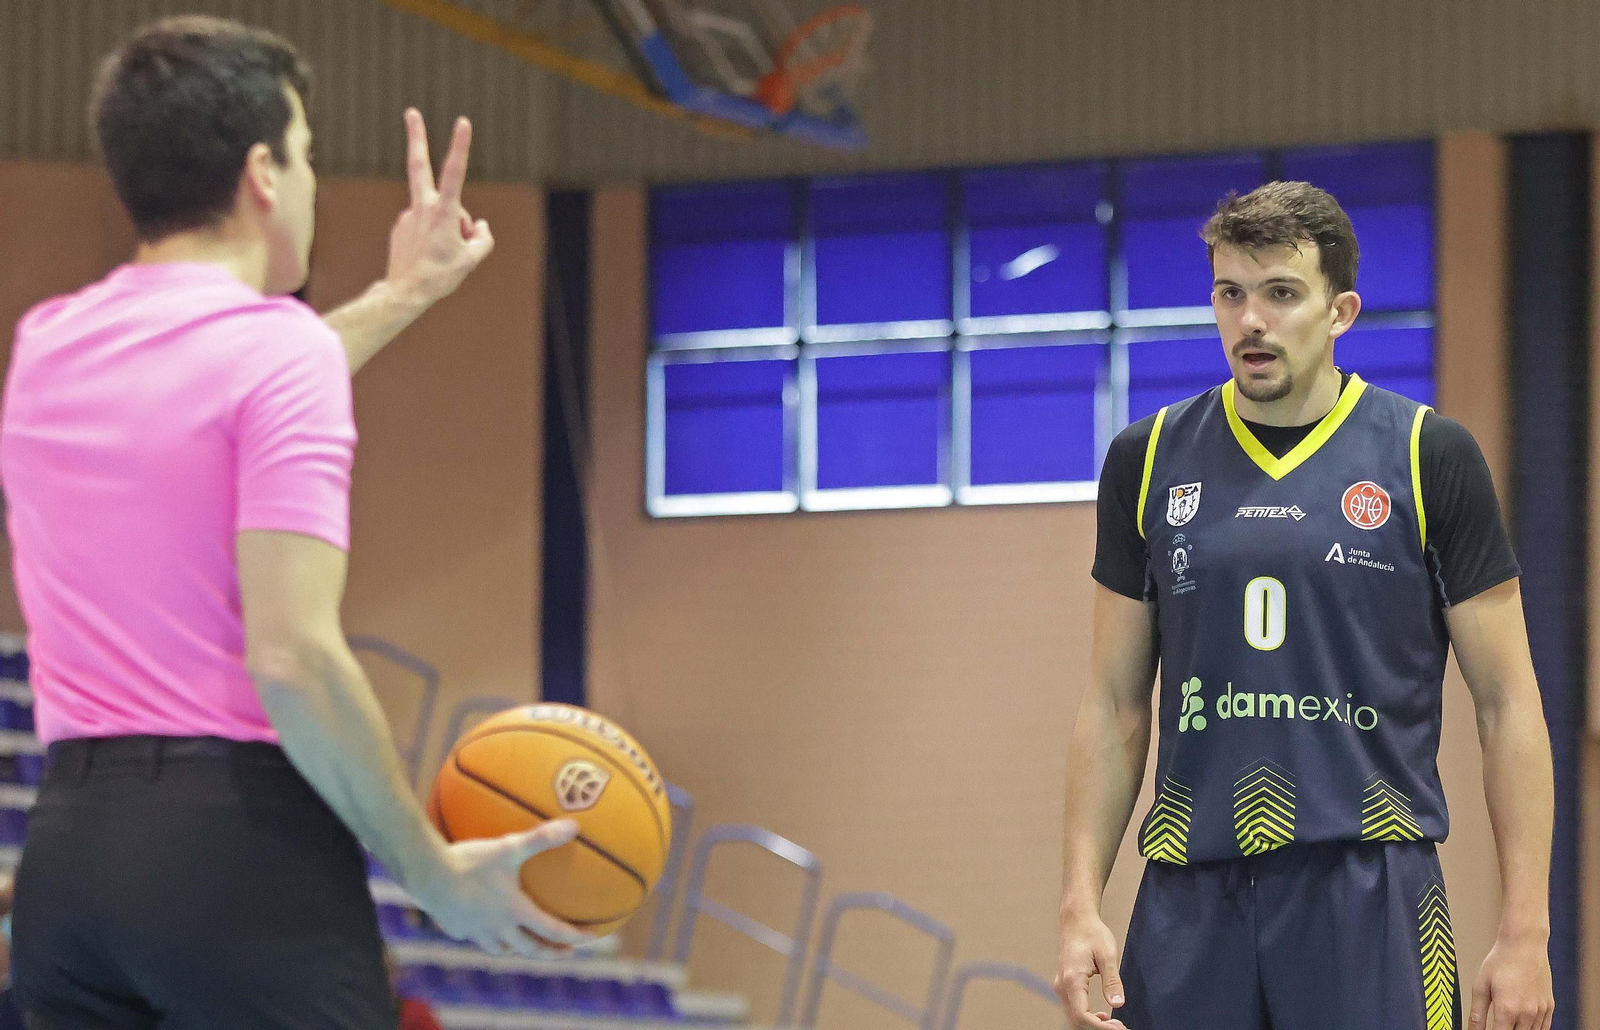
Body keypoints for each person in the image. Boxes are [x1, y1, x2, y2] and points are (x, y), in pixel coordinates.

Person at [2, 16, 584, 1029]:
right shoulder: (279, 353)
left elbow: (212, 389)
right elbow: (294, 659)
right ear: (263, 171)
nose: (313, 181)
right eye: (309, 154)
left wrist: (402, 295)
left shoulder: (48, 343)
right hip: (235, 856)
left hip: (70, 863)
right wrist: (432, 871)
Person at [1054, 181, 1556, 1030]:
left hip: (1369, 886)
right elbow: (1112, 706)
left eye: (1281, 293)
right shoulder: (1145, 460)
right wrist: (1078, 902)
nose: (1251, 321)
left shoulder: (1428, 455)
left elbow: (1509, 706)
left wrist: (1526, 929)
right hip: (1189, 890)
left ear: (1340, 311)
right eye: (1230, 293)